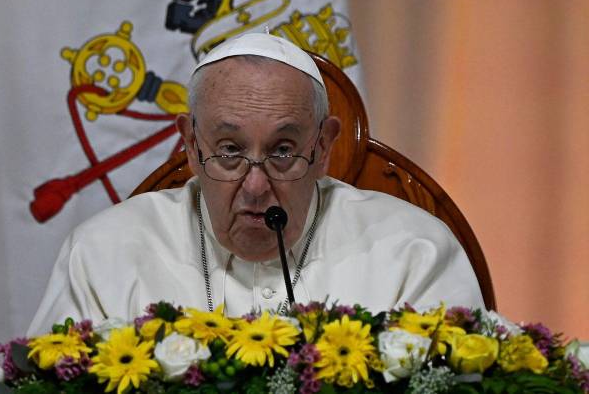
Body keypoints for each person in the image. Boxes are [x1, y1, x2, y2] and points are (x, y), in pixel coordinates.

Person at [28, 33, 484, 335]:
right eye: (229, 150)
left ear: (323, 146)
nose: (254, 187)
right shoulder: (104, 252)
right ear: (189, 143)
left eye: (283, 151)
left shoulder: (413, 251)